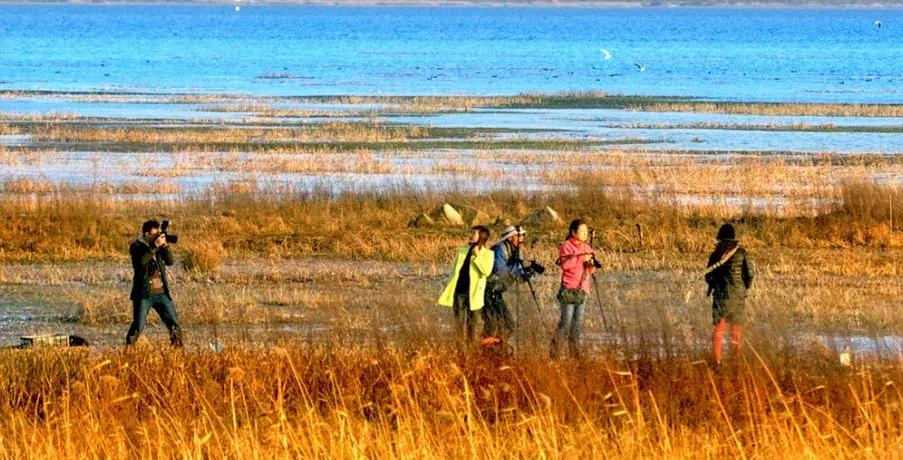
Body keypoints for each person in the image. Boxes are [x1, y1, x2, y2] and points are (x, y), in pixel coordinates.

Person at [125, 219, 183, 347]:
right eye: (153, 234)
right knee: (138, 326)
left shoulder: (157, 245)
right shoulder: (136, 246)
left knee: (174, 323)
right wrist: (154, 246)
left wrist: (165, 246)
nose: (156, 237)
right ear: (146, 234)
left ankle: (178, 352)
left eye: (157, 234)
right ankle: (128, 350)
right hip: (144, 293)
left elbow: (170, 261)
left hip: (161, 292)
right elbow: (141, 263)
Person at [705, 223, 755, 365]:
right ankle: (736, 361)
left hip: (720, 295)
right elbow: (750, 274)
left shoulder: (715, 254)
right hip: (738, 296)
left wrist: (714, 285)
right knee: (736, 330)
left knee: (719, 329)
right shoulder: (741, 253)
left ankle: (717, 361)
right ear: (733, 237)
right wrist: (743, 288)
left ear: (720, 237)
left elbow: (708, 276)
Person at [438, 226, 494, 346]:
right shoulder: (462, 250)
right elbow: (454, 270)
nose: (471, 234)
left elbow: (486, 272)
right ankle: (459, 349)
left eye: (474, 233)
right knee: (458, 323)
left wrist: (477, 255)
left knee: (471, 326)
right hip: (460, 292)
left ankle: (470, 351)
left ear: (481, 237)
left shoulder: (488, 254)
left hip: (475, 295)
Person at [481, 225, 535, 348]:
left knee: (508, 325)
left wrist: (528, 273)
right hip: (487, 291)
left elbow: (516, 276)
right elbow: (500, 271)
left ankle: (495, 349)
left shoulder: (516, 251)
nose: (522, 238)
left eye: (523, 235)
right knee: (492, 323)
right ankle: (482, 349)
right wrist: (519, 267)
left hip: (497, 292)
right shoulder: (498, 250)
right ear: (511, 237)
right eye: (519, 235)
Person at [550, 219, 596, 359]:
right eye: (582, 231)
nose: (585, 234)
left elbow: (591, 270)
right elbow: (565, 265)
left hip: (582, 289)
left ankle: (575, 354)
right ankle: (555, 353)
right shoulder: (566, 246)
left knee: (578, 323)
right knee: (566, 322)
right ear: (573, 232)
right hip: (569, 288)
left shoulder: (587, 247)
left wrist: (590, 263)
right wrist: (582, 259)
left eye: (586, 231)